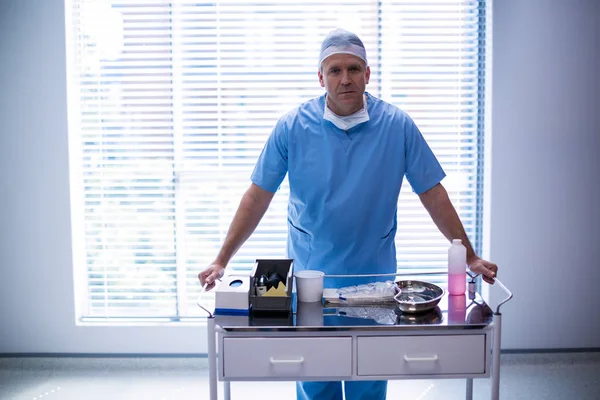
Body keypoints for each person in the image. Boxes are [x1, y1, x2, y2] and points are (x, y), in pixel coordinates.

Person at [198, 28, 499, 400]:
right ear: (320, 77)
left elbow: (432, 193)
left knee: (368, 373)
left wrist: (468, 256)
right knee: (315, 371)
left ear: (368, 74)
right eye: (335, 70)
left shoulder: (397, 126)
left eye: (354, 69)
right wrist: (221, 259)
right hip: (311, 276)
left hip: (372, 275)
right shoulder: (292, 127)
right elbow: (258, 196)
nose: (345, 79)